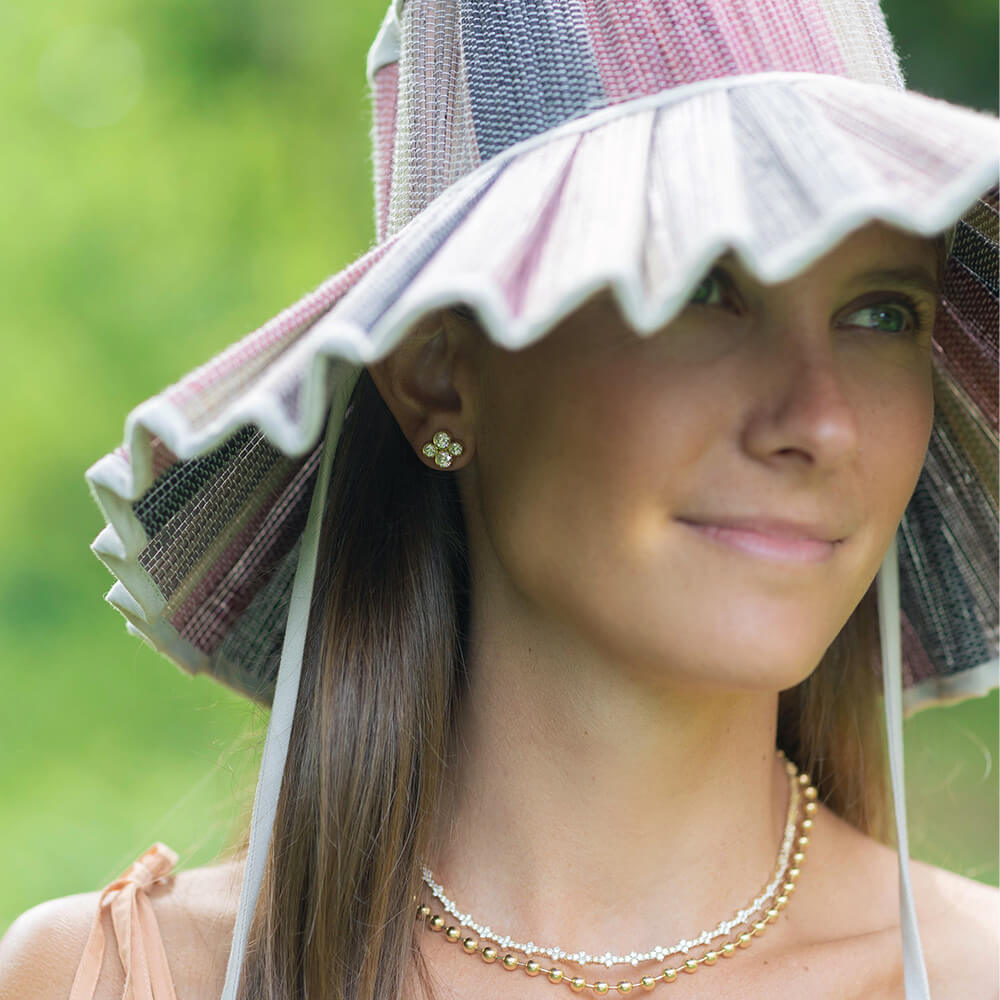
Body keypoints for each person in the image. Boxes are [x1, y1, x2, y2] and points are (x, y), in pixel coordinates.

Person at [1, 1, 997, 998]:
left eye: (882, 313)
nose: (822, 422)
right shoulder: (113, 978)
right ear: (438, 373)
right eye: (701, 288)